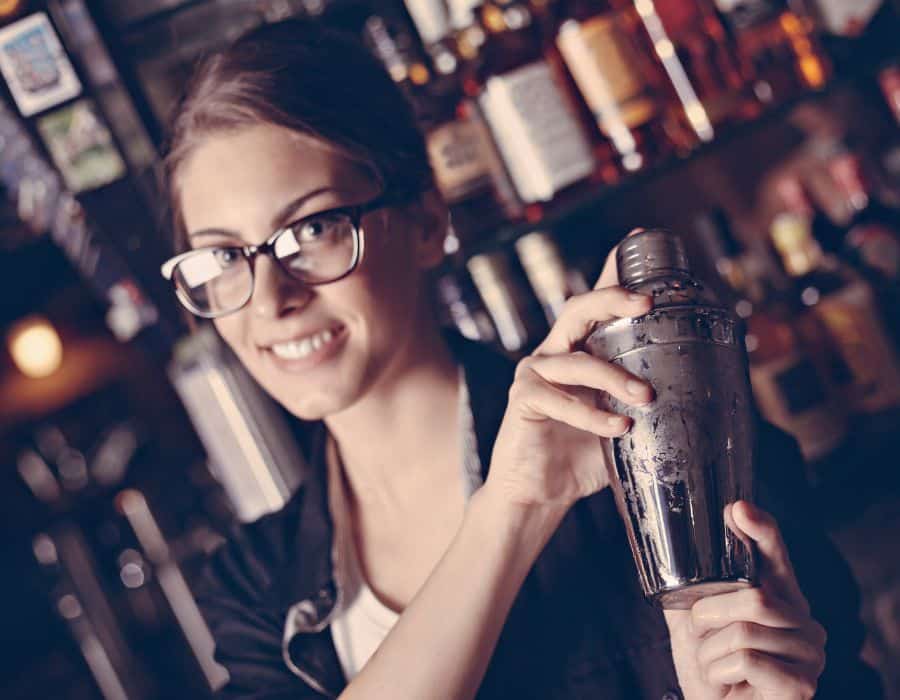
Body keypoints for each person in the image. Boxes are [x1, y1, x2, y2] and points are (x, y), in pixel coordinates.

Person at [160, 17, 881, 700]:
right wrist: (509, 512)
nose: (267, 298)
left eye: (311, 228)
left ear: (427, 223)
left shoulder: (661, 438)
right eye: (221, 256)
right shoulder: (255, 589)